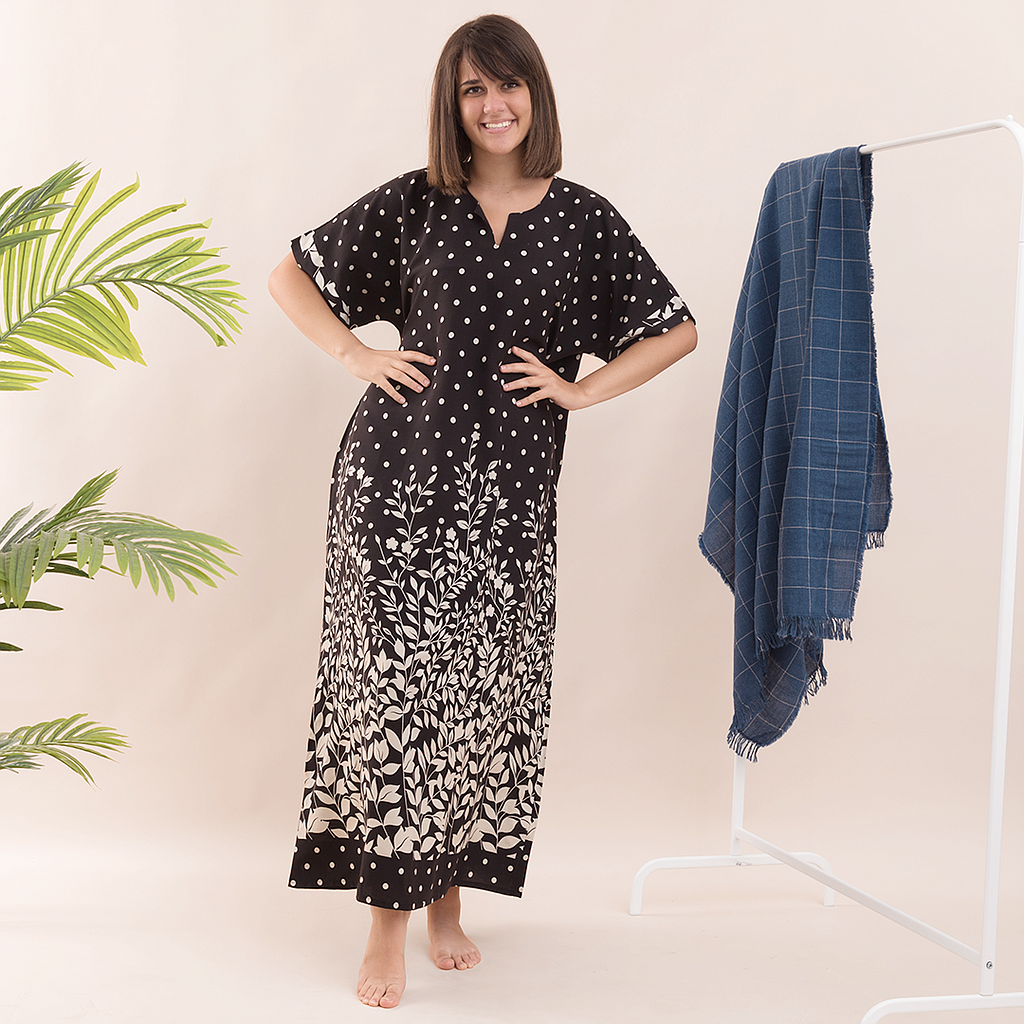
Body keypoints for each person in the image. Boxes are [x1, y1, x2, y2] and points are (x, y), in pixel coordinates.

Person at [268, 13, 696, 1009]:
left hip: (507, 506)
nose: (493, 105)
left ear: (534, 94)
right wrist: (355, 353)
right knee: (396, 700)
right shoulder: (417, 203)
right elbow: (291, 274)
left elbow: (673, 329)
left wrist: (582, 390)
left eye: (508, 85)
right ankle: (384, 926)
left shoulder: (583, 220)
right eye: (472, 89)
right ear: (451, 105)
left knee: (475, 701)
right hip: (394, 488)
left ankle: (447, 903)